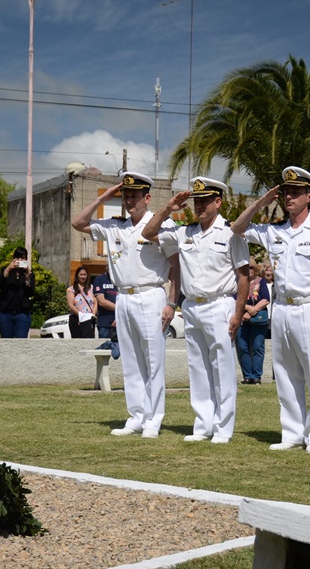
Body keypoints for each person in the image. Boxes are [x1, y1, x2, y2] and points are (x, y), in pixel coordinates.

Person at [232, 167, 310, 455]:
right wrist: (262, 202)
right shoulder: (275, 230)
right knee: (284, 373)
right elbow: (237, 228)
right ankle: (292, 432)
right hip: (282, 308)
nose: (289, 197)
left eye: (296, 192)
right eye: (286, 192)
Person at [71, 172, 180, 439]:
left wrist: (171, 302)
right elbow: (78, 222)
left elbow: (176, 267)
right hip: (124, 298)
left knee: (153, 360)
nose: (130, 201)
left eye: (134, 196)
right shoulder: (114, 225)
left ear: (147, 197)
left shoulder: (162, 226)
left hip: (151, 295)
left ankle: (154, 419)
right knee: (130, 361)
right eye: (126, 196)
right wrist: (106, 195)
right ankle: (136, 415)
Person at [143, 177, 250, 444]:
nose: (199, 206)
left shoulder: (231, 232)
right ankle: (203, 425)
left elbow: (244, 276)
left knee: (222, 368)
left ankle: (223, 428)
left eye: (204, 201)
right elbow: (148, 233)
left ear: (218, 202)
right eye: (196, 201)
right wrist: (169, 208)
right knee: (198, 369)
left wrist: (238, 313)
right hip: (191, 306)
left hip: (220, 303)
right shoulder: (184, 232)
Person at [237, 263, 270, 385]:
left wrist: (251, 311)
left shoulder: (261, 282)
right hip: (241, 318)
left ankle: (256, 377)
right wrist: (246, 308)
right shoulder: (238, 281)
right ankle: (247, 376)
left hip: (258, 319)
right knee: (242, 347)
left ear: (255, 269)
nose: (249, 270)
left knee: (258, 347)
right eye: (246, 267)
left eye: (251, 267)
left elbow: (266, 299)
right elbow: (235, 299)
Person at [0, 247, 35, 339]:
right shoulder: (5, 270)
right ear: (13, 258)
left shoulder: (28, 274)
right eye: (17, 258)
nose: (20, 261)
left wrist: (28, 277)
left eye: (23, 258)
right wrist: (8, 269)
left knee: (21, 341)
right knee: (6, 341)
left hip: (22, 313)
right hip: (5, 312)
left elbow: (31, 293)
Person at [67, 266, 97, 338]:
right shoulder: (71, 289)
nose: (83, 277)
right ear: (77, 276)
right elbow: (70, 304)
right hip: (77, 319)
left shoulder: (91, 288)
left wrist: (92, 315)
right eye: (81, 274)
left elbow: (95, 303)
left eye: (84, 274)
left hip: (89, 319)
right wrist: (80, 315)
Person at [93, 267, 118, 339]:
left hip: (120, 322)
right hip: (105, 324)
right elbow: (101, 302)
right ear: (106, 267)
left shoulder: (120, 280)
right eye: (109, 265)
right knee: (105, 347)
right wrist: (119, 309)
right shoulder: (100, 280)